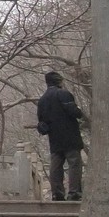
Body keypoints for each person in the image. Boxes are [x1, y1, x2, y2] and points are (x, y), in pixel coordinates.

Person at [37, 70, 84, 201]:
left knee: (56, 165)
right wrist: (80, 111)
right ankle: (74, 192)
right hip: (70, 136)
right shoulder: (63, 94)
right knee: (74, 163)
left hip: (54, 138)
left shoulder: (42, 100)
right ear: (59, 81)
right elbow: (74, 112)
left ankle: (57, 193)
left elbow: (41, 123)